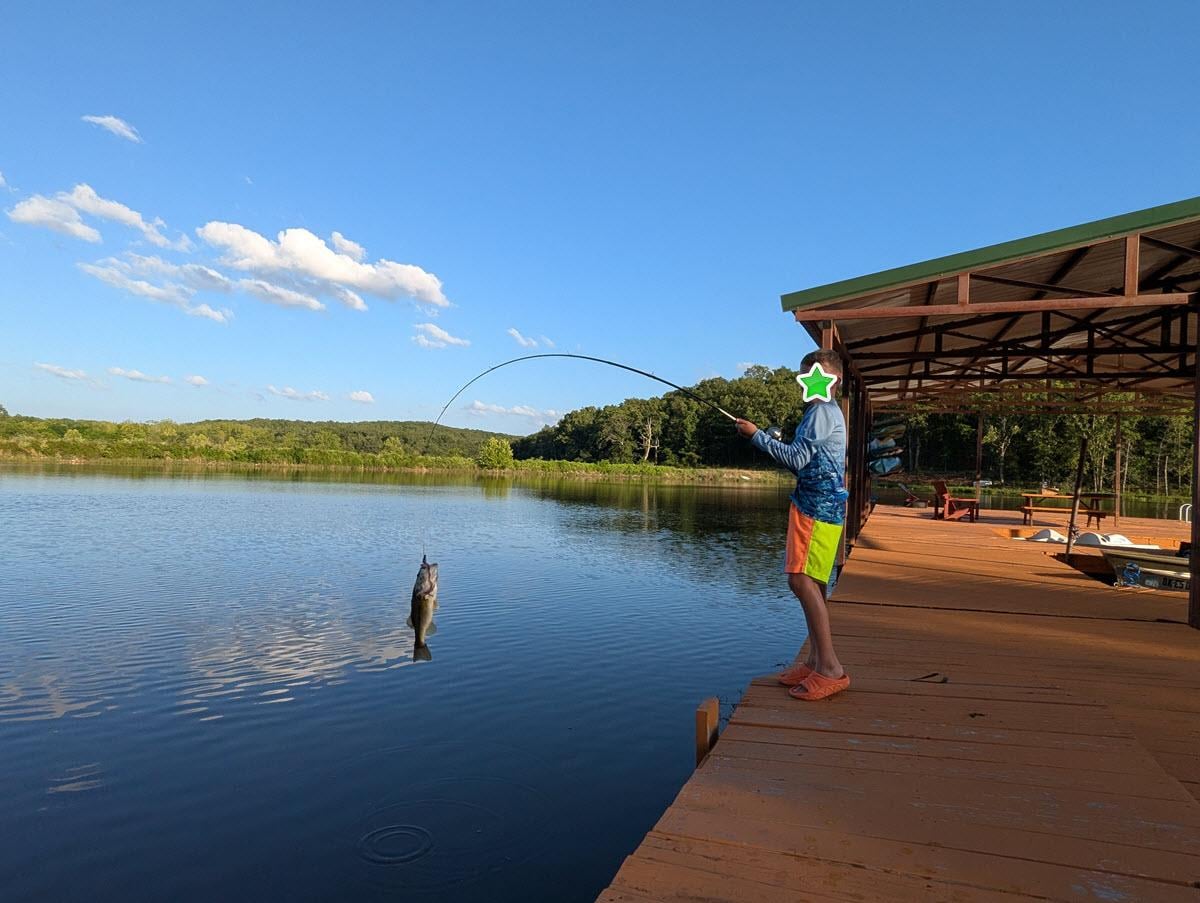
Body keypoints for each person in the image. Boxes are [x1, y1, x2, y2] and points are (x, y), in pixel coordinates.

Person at [735, 349, 850, 701]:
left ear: (834, 381)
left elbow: (797, 459)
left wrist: (757, 436)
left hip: (814, 507)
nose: (808, 381)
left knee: (799, 579)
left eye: (816, 374)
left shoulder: (819, 412)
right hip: (828, 506)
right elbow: (804, 458)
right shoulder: (830, 413)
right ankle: (816, 662)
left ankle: (830, 668)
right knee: (813, 579)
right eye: (805, 375)